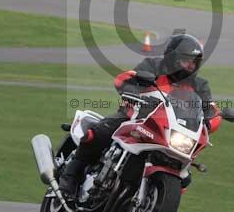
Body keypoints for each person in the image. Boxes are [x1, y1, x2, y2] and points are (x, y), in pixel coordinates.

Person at [59, 33, 222, 197]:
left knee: (184, 179)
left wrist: (209, 122)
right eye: (186, 60)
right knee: (99, 133)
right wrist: (130, 88)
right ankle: (70, 174)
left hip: (169, 129)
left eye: (194, 62)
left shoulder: (199, 85)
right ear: (173, 57)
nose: (191, 66)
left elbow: (212, 110)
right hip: (134, 117)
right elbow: (125, 78)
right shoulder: (153, 66)